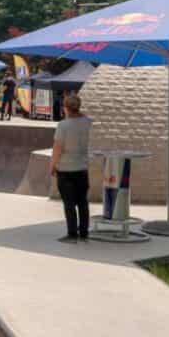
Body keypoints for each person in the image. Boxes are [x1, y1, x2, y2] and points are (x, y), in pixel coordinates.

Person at [51, 93, 92, 242]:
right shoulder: (87, 122)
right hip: (82, 168)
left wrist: (53, 165)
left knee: (69, 203)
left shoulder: (63, 125)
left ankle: (72, 234)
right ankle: (84, 233)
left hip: (66, 169)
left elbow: (57, 148)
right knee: (82, 202)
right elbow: (85, 117)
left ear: (66, 108)